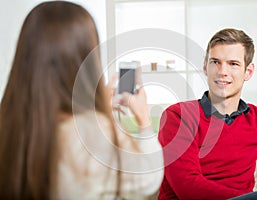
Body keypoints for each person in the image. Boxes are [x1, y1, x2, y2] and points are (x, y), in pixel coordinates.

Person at [0, 1, 163, 199]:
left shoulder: (9, 124)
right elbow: (147, 178)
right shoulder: (90, 132)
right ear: (87, 60)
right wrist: (143, 119)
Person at [157, 28, 257, 199]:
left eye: (233, 64)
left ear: (248, 72)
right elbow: (187, 187)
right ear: (205, 66)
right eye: (215, 62)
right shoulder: (179, 116)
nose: (222, 72)